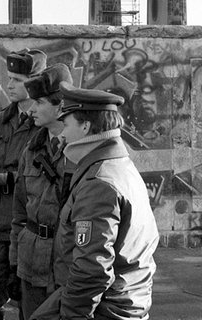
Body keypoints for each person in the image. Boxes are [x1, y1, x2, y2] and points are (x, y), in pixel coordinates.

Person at [30, 82, 159, 320]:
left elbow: (92, 269)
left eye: (66, 124)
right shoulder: (120, 166)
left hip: (106, 308)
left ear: (86, 126)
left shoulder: (98, 184)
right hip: (123, 301)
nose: (62, 133)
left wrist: (71, 315)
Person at [0, 48, 47, 320]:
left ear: (35, 81)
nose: (9, 84)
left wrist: (3, 178)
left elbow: (41, 178)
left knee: (32, 305)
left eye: (17, 79)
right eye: (9, 77)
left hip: (31, 228)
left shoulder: (46, 125)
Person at [8, 63, 74, 320]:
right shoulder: (31, 151)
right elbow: (19, 214)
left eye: (40, 102)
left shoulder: (81, 152)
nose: (32, 108)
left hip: (66, 264)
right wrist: (14, 265)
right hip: (31, 263)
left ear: (60, 106)